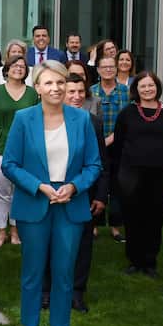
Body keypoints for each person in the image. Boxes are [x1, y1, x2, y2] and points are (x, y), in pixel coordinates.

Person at [2, 61, 102, 326]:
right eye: (48, 83)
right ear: (37, 87)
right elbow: (10, 164)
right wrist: (40, 187)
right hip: (36, 203)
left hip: (70, 204)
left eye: (60, 82)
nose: (56, 89)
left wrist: (73, 187)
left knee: (63, 273)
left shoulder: (82, 119)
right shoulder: (23, 118)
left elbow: (94, 165)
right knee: (32, 273)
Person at [43, 73, 109, 313]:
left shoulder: (93, 122)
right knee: (48, 242)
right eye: (71, 91)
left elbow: (102, 162)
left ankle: (77, 293)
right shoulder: (43, 119)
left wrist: (101, 196)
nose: (76, 96)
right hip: (49, 192)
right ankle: (46, 291)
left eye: (81, 92)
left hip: (83, 194)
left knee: (81, 246)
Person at [110, 71, 163, 277]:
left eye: (151, 85)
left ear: (157, 87)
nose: (148, 89)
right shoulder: (127, 113)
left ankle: (150, 262)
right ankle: (134, 260)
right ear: (136, 90)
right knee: (133, 219)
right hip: (131, 175)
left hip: (160, 176)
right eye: (143, 86)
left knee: (155, 219)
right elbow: (118, 144)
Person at [0, 54, 38, 247]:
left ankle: (15, 231)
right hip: (1, 148)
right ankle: (1, 231)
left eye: (22, 66)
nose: (19, 68)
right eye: (15, 65)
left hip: (25, 149)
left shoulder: (32, 94)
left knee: (20, 191)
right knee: (1, 192)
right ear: (6, 69)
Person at [91, 57, 129, 243]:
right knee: (96, 184)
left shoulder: (126, 92)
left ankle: (115, 227)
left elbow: (127, 120)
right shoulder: (91, 92)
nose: (108, 70)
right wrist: (101, 141)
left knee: (117, 186)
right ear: (97, 70)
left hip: (118, 146)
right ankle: (95, 225)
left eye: (111, 67)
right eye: (103, 67)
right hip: (95, 145)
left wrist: (112, 138)